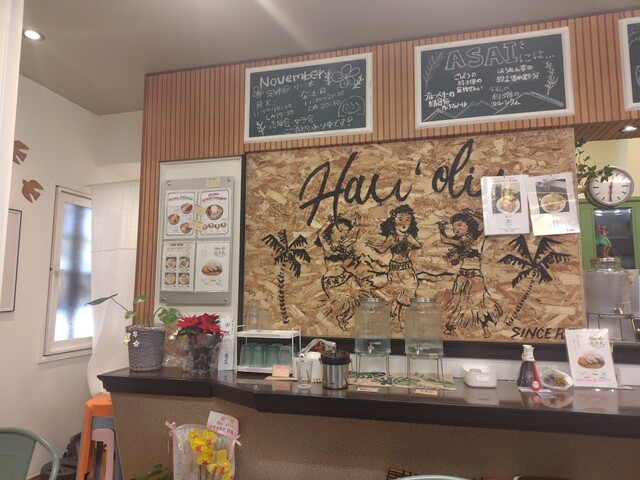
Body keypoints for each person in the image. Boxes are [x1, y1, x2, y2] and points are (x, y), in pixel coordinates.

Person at [438, 208, 502, 338]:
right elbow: (446, 241)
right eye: (454, 227)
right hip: (462, 276)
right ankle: (451, 325)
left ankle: (485, 329)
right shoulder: (460, 245)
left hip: (475, 277)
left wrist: (472, 213)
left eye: (460, 225)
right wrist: (441, 229)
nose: (456, 229)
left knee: (478, 303)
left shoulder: (477, 239)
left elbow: (486, 222)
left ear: (469, 224)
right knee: (457, 302)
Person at [367, 205, 422, 326]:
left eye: (408, 219)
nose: (404, 223)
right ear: (394, 221)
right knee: (395, 293)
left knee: (410, 292)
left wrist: (408, 241)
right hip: (395, 270)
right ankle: (392, 313)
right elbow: (382, 249)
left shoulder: (408, 236)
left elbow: (418, 245)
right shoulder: (392, 236)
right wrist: (372, 245)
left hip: (408, 269)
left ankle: (401, 317)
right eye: (400, 219)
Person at [315, 214, 366, 330]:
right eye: (341, 230)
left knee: (357, 298)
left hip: (346, 276)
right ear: (332, 231)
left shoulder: (344, 245)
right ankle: (328, 317)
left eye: (346, 231)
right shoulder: (328, 246)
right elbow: (321, 234)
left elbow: (354, 237)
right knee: (341, 302)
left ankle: (343, 319)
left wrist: (356, 224)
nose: (343, 234)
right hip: (332, 280)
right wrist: (331, 221)